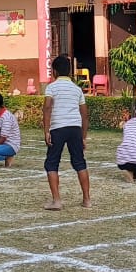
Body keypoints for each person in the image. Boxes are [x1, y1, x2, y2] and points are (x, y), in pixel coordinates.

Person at [42, 55, 90, 210]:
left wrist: (46, 130)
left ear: (54, 71)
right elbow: (84, 114)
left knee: (51, 163)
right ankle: (87, 200)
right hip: (75, 128)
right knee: (79, 162)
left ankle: (57, 201)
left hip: (58, 127)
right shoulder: (77, 89)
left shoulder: (52, 87)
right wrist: (83, 136)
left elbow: (47, 108)